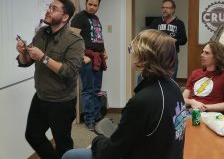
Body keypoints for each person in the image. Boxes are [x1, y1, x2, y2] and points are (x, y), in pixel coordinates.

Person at [62, 29, 187, 159]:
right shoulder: (174, 87)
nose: (131, 54)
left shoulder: (143, 101)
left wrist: (96, 141)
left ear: (144, 56)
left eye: (132, 50)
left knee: (70, 155)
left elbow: (111, 153)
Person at [16, 0, 84, 159]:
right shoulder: (41, 33)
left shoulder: (75, 40)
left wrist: (43, 58)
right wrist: (23, 53)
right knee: (32, 135)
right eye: (49, 7)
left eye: (53, 9)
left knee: (63, 146)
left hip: (61, 102)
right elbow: (26, 62)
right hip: (41, 97)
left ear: (65, 17)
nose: (48, 10)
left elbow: (69, 71)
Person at [71, 0, 108, 130]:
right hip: (87, 58)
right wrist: (82, 56)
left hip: (98, 57)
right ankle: (89, 119)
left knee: (97, 89)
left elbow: (98, 37)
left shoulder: (96, 18)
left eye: (95, 5)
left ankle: (97, 115)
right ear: (86, 3)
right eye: (90, 4)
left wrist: (104, 51)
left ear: (98, 6)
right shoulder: (78, 18)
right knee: (88, 90)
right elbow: (73, 40)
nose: (92, 7)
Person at [183, 41, 224, 113]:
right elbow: (182, 99)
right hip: (189, 112)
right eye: (202, 52)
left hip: (211, 115)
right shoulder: (195, 73)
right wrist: (192, 102)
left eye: (206, 53)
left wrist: (202, 107)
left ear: (217, 57)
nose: (202, 55)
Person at [150, 0, 187, 80]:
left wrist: (175, 41)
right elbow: (149, 37)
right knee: (155, 79)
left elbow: (184, 40)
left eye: (167, 8)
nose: (165, 10)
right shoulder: (156, 22)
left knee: (170, 80)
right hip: (157, 56)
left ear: (173, 10)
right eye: (163, 8)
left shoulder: (179, 23)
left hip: (172, 56)